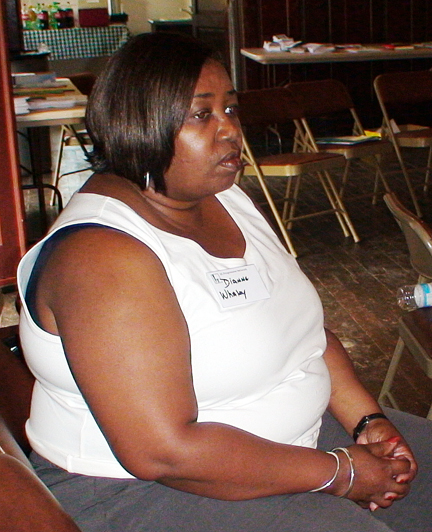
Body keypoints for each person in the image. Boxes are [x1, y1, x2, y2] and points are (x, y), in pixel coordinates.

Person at [17, 32, 431, 532]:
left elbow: (305, 336)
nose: (231, 130)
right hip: (142, 487)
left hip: (289, 440)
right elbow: (163, 452)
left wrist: (369, 423)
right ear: (139, 124)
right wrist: (340, 472)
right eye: (201, 114)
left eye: (230, 109)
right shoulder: (103, 257)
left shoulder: (224, 198)